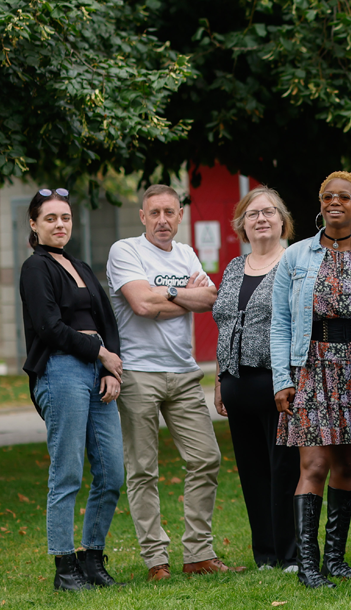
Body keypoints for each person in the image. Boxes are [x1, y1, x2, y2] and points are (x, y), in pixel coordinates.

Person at [107, 184, 239, 580]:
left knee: (206, 458)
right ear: (143, 217)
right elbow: (140, 305)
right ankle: (156, 560)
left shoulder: (186, 253)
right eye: (155, 213)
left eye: (170, 212)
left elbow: (210, 298)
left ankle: (198, 553)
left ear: (180, 215)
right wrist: (180, 294)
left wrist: (161, 293)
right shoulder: (124, 251)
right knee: (143, 468)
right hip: (138, 373)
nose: (163, 220)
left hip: (183, 373)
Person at [272, 171, 351, 588]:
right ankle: (308, 566)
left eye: (344, 197)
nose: (335, 203)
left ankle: (336, 559)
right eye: (328, 196)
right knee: (315, 463)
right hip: (310, 366)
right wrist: (281, 379)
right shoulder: (295, 257)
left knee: (346, 463)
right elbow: (281, 323)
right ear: (320, 203)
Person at [20, 189, 125, 590]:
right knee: (66, 473)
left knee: (112, 472)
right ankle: (65, 568)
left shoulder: (79, 264)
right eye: (50, 219)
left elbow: (107, 320)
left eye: (64, 218)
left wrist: (110, 366)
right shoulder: (36, 268)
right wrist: (98, 350)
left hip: (97, 370)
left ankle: (92, 558)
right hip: (60, 370)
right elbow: (49, 327)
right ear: (34, 224)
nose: (60, 224)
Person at [212, 186, 301, 571]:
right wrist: (219, 379)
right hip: (236, 385)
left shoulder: (294, 265)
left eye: (269, 212)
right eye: (253, 214)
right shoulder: (234, 267)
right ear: (242, 225)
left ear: (283, 221)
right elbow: (225, 326)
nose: (261, 219)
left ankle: (291, 553)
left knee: (284, 470)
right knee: (251, 473)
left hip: (276, 384)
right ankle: (265, 554)